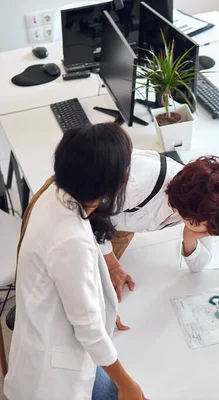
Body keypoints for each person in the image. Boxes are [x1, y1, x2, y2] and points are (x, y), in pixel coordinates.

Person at [5, 123, 146, 399]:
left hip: (41, 338)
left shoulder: (56, 193)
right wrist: (127, 384)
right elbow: (88, 330)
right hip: (53, 379)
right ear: (116, 182)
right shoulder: (70, 240)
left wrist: (102, 304)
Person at [103, 150, 219, 305]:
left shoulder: (201, 208)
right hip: (88, 212)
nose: (206, 230)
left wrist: (190, 239)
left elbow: (198, 266)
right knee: (93, 287)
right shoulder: (137, 183)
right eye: (205, 224)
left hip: (121, 222)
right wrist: (113, 265)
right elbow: (87, 217)